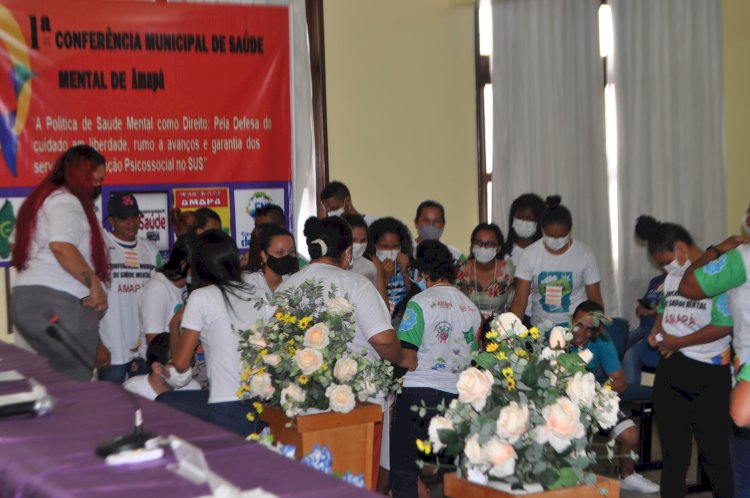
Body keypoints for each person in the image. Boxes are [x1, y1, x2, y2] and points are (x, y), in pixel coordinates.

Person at [277, 216, 416, 489]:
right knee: (360, 476)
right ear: (348, 252)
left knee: (311, 483)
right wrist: (403, 358)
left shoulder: (286, 287)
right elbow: (384, 340)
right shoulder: (355, 284)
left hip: (303, 400)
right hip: (358, 402)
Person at [635, 215, 734, 497]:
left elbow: (724, 326)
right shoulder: (671, 278)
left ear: (680, 248)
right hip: (671, 370)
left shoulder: (717, 273)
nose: (665, 267)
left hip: (709, 373)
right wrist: (657, 331)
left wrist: (680, 341)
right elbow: (664, 315)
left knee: (714, 456)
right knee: (673, 457)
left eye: (666, 260)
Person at [390, 241, 482, 498]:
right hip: (458, 400)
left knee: (406, 470)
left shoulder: (419, 303)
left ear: (422, 272)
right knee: (449, 473)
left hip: (418, 395)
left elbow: (408, 358)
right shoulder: (471, 308)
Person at [11, 145, 109, 381]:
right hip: (60, 303)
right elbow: (61, 246)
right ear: (80, 174)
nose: (98, 186)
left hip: (26, 300)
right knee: (76, 383)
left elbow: (16, 246)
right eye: (95, 179)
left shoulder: (41, 201)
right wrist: (94, 284)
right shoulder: (67, 202)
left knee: (56, 381)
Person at [169, 230, 273, 436]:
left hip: (227, 404)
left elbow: (180, 364)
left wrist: (174, 324)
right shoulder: (261, 294)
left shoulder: (201, 297)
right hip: (265, 401)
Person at [677, 231, 750, 497]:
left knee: (743, 465)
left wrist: (716, 250)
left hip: (744, 371)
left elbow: (688, 286)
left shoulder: (741, 258)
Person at [569, 301, 660, 493]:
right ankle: (570, 479)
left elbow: (620, 381)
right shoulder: (556, 334)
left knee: (631, 435)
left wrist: (597, 394)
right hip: (561, 400)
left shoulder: (602, 340)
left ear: (598, 329)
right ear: (571, 320)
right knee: (573, 439)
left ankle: (627, 476)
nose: (582, 333)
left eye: (589, 329)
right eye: (578, 325)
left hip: (593, 397)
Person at [96, 192, 161, 384]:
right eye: (124, 218)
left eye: (135, 216)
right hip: (111, 349)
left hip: (144, 349)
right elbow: (87, 301)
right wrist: (97, 345)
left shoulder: (151, 250)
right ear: (112, 220)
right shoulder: (100, 248)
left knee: (144, 409)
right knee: (111, 410)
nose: (132, 222)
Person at [510, 195, 603, 327]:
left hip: (576, 328)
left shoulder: (584, 254)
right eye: (550, 236)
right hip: (539, 328)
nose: (556, 240)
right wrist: (512, 333)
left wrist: (596, 328)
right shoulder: (529, 254)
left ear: (570, 231)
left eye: (561, 236)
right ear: (542, 229)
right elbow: (520, 300)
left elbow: (595, 299)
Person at [139, 233, 194, 346]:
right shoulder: (157, 289)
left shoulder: (185, 285)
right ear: (183, 264)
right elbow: (153, 342)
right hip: (160, 361)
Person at [455, 223, 514, 318]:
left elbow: (516, 303)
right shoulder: (461, 269)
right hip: (467, 328)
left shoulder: (508, 269)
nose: (483, 247)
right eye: (479, 243)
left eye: (489, 244)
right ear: (472, 246)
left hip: (501, 328)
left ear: (498, 248)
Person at [502, 193, 545, 324]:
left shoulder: (546, 252)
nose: (524, 222)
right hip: (509, 317)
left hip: (540, 319)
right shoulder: (502, 253)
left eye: (530, 219)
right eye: (519, 217)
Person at [621, 273, 665, 397]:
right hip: (643, 327)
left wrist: (653, 312)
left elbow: (670, 310)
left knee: (630, 355)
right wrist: (640, 309)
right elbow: (645, 303)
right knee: (615, 345)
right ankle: (607, 393)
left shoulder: (681, 281)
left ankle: (630, 401)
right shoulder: (655, 281)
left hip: (657, 330)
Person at [123, 333, 201, 401]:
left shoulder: (193, 389)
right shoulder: (131, 391)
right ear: (157, 368)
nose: (185, 368)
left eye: (189, 361)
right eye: (178, 364)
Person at [368, 217, 414, 314]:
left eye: (395, 246)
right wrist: (385, 277)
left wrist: (405, 273)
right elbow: (369, 300)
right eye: (384, 246)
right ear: (374, 245)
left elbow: (417, 298)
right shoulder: (369, 268)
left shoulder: (408, 266)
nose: (390, 251)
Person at [244, 223, 298, 294]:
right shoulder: (249, 282)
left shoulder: (294, 281)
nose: (287, 257)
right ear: (264, 255)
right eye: (280, 252)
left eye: (291, 251)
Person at [344, 214, 387, 301]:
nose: (359, 245)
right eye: (354, 240)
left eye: (363, 240)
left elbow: (383, 303)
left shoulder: (373, 263)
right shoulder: (335, 263)